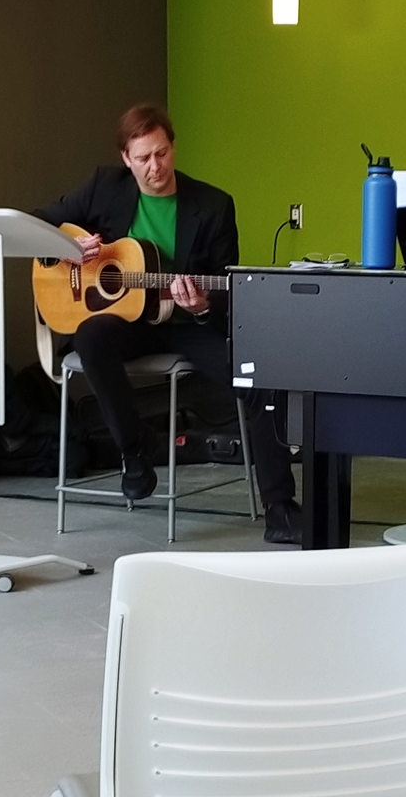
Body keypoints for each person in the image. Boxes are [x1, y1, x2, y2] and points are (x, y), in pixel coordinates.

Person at [36, 103, 302, 544]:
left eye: (161, 154)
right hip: (128, 322)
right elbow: (38, 222)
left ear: (173, 148)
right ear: (126, 159)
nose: (154, 167)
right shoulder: (104, 187)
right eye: (143, 158)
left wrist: (201, 305)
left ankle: (280, 507)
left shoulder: (213, 206)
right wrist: (70, 246)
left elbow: (226, 293)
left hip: (188, 324)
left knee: (260, 378)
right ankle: (134, 450)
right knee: (90, 337)